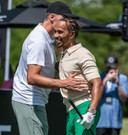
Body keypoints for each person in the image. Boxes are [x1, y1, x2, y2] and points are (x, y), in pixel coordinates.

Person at [11, 2, 87, 135]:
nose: (68, 22)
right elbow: (32, 77)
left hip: (35, 102)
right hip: (29, 101)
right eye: (65, 18)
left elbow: (48, 65)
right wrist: (64, 83)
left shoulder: (46, 38)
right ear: (52, 17)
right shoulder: (39, 40)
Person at [54, 18, 103, 135]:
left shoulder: (83, 54)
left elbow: (98, 83)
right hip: (71, 110)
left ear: (72, 34)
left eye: (60, 32)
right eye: (55, 31)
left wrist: (91, 112)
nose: (56, 35)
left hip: (84, 107)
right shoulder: (65, 53)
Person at [96, 54, 128, 135]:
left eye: (113, 67)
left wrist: (118, 84)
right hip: (101, 121)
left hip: (115, 121)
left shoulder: (123, 78)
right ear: (105, 66)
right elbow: (96, 97)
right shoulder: (100, 77)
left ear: (117, 66)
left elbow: (124, 99)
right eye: (109, 67)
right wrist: (104, 81)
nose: (111, 70)